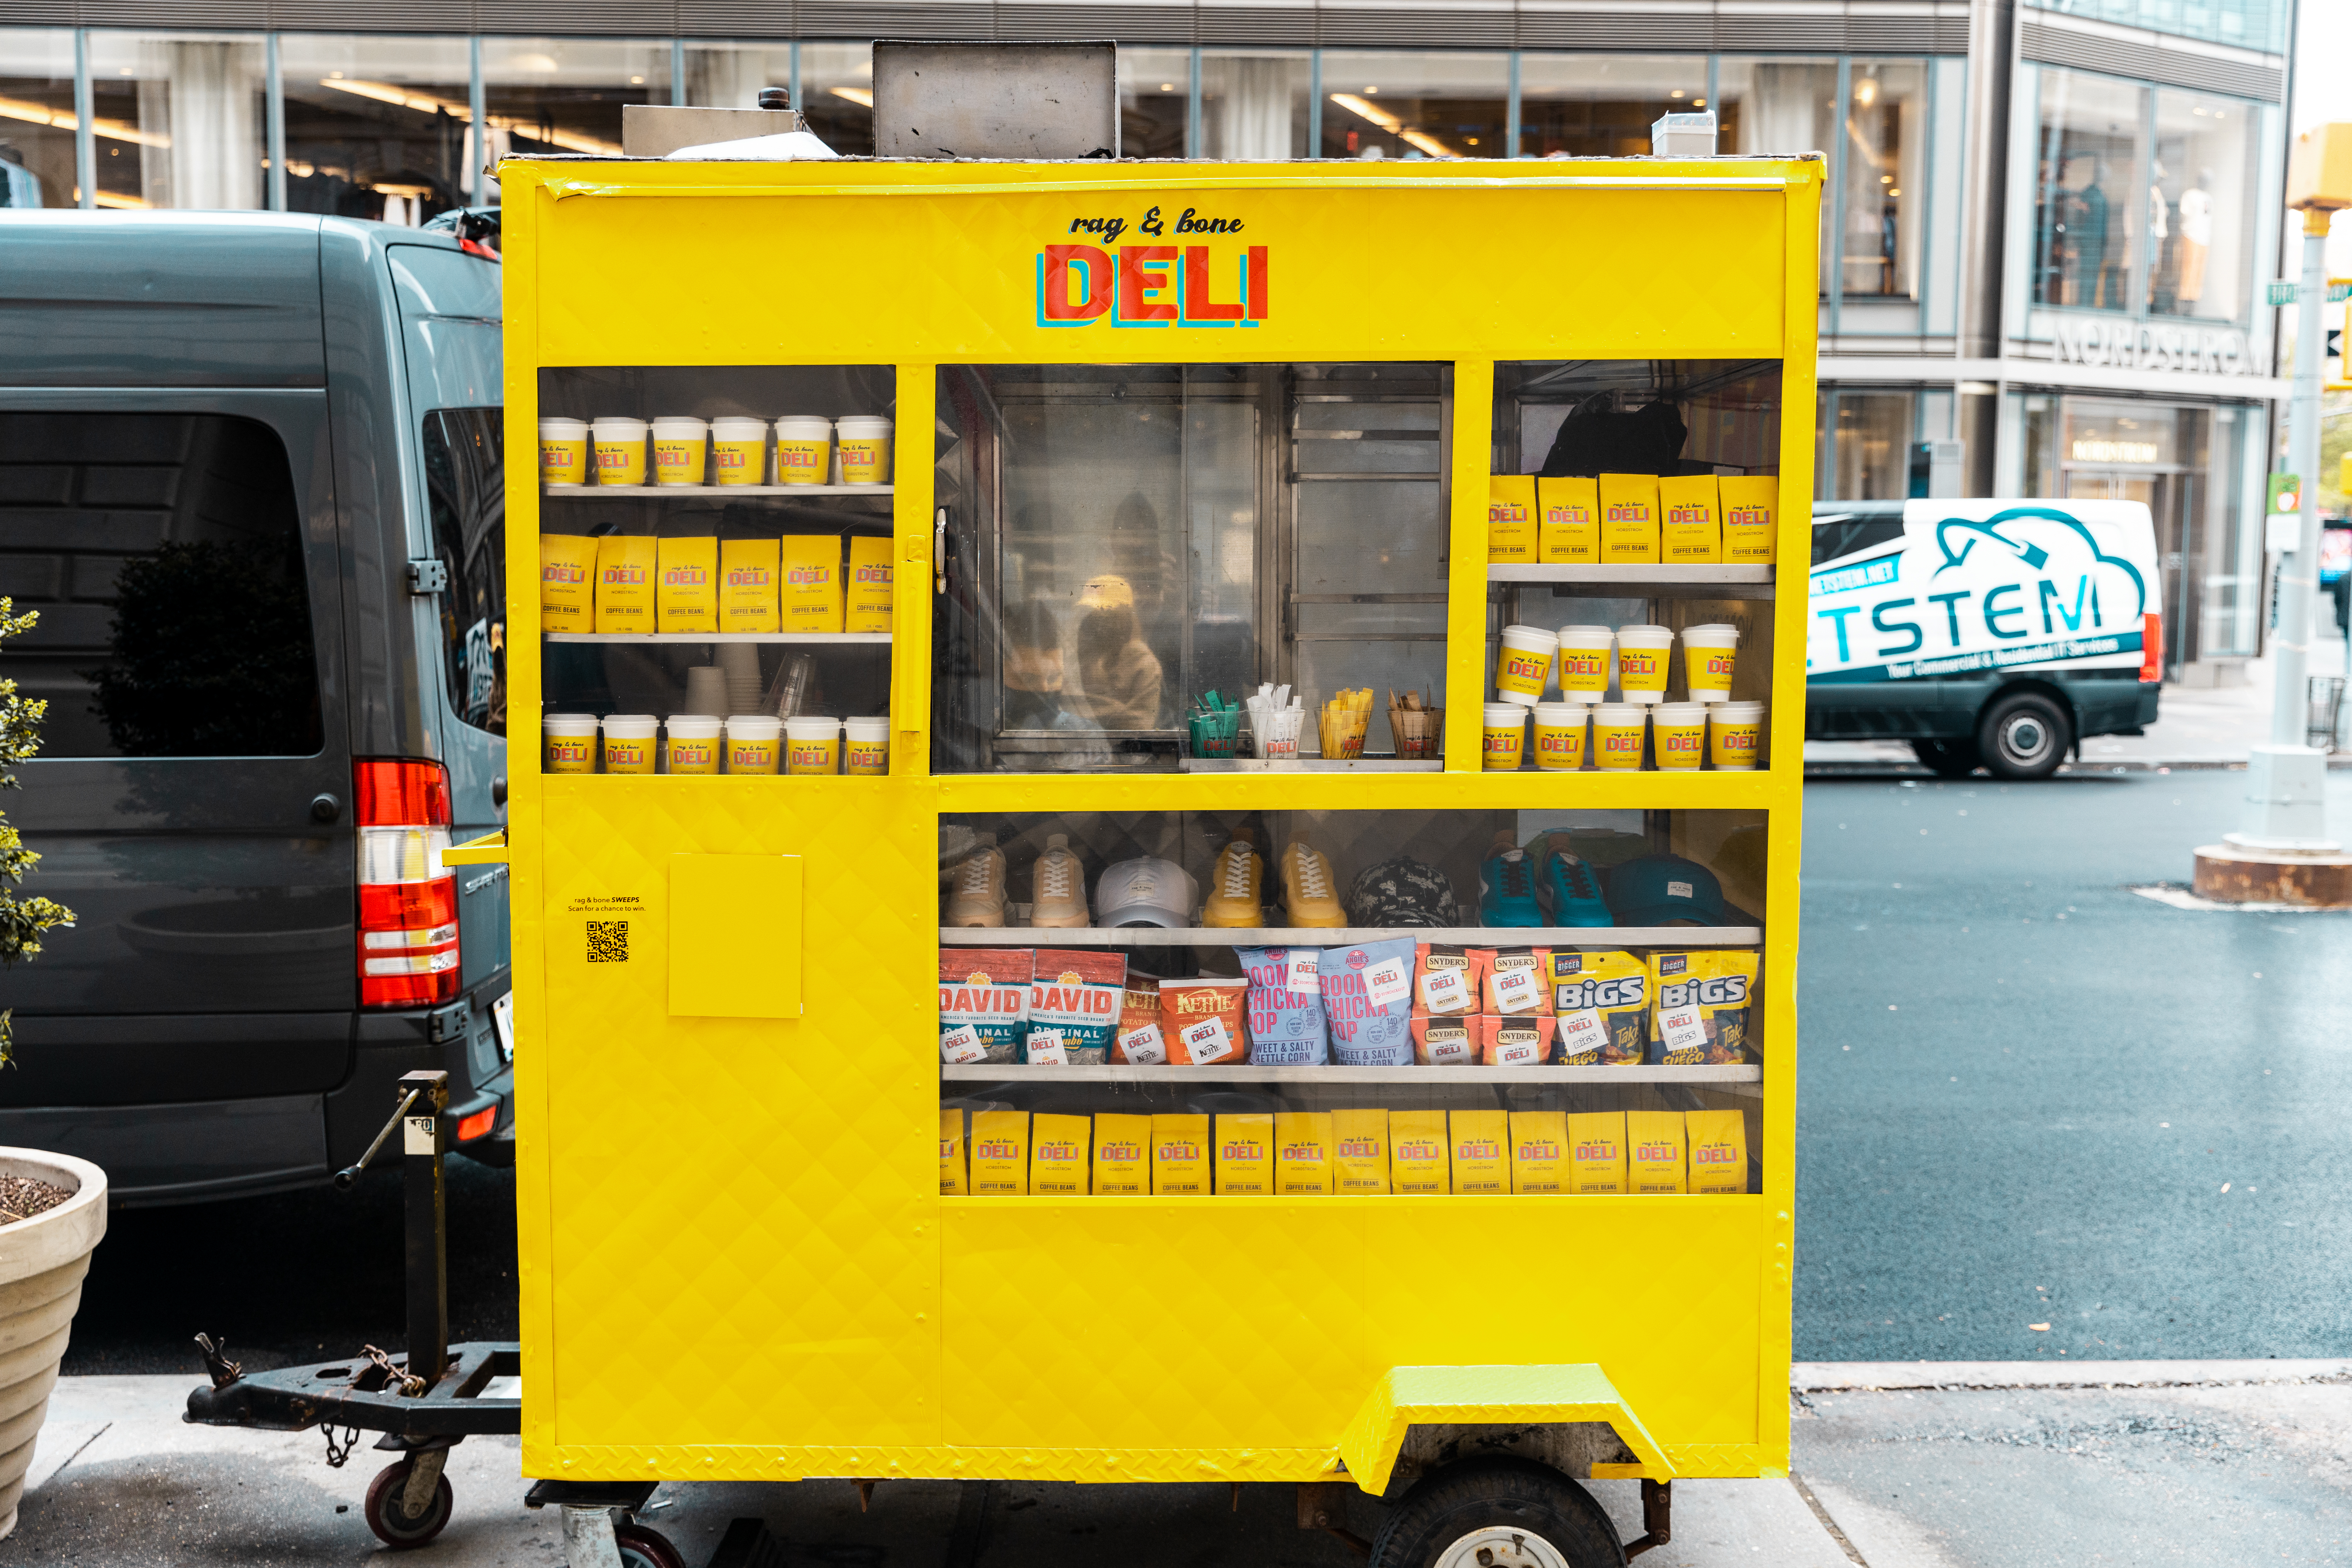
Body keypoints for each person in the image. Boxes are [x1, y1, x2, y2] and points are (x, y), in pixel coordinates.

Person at [1066, 573, 1163, 730]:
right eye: (1090, 613)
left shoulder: (1143, 663)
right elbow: (1064, 706)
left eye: (1105, 612)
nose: (1095, 620)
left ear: (1125, 615)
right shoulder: (1077, 656)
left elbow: (1139, 725)